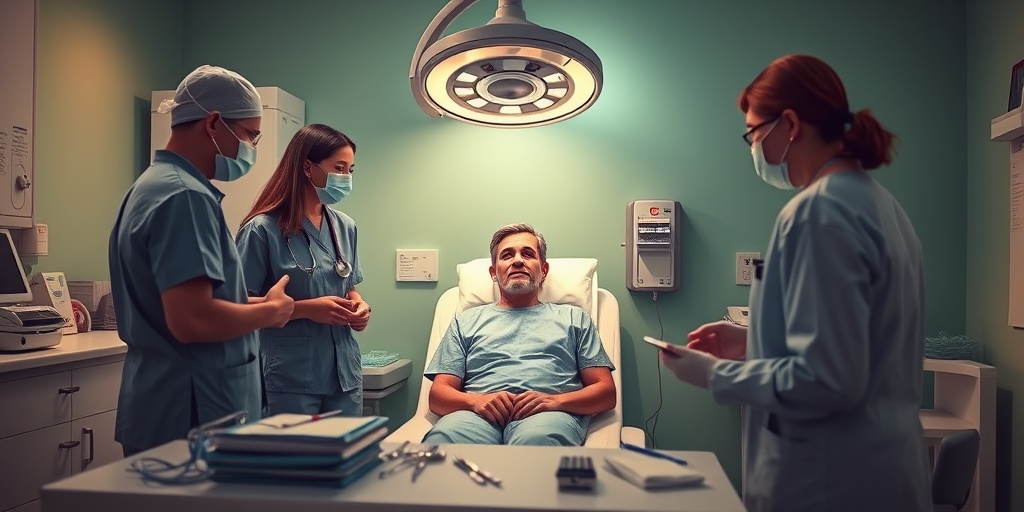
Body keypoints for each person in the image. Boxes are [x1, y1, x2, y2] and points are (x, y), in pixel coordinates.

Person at [658, 54, 931, 511]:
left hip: (831, 482)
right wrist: (753, 340)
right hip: (879, 469)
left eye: (753, 132)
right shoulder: (882, 207)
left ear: (788, 124)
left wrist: (713, 374)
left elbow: (827, 380)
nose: (753, 147)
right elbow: (854, 344)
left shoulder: (817, 214)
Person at [108, 65, 295, 456]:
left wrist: (249, 304)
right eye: (249, 136)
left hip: (166, 404)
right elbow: (191, 320)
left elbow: (177, 304)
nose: (251, 150)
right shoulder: (184, 197)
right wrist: (271, 313)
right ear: (213, 123)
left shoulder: (152, 186)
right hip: (192, 413)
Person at [423, 223, 616, 446]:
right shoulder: (464, 322)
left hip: (548, 418)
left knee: (536, 442)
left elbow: (605, 392)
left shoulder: (575, 318)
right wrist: (475, 401)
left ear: (543, 270)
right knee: (443, 442)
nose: (517, 261)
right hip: (474, 416)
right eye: (507, 255)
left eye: (527, 254)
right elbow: (438, 395)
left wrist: (554, 401)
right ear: (494, 273)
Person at [235, 123, 370, 416]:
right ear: (308, 168)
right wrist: (305, 309)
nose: (346, 177)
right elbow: (235, 306)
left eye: (351, 170)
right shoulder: (261, 230)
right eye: (339, 167)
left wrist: (358, 306)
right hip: (290, 377)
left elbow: (347, 285)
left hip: (343, 374)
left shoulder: (345, 226)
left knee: (346, 460)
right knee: (295, 462)